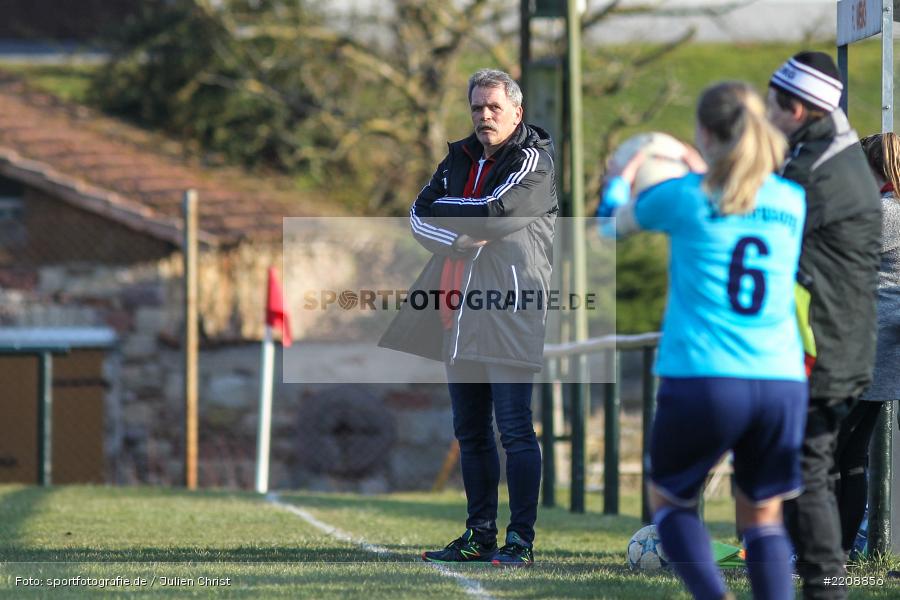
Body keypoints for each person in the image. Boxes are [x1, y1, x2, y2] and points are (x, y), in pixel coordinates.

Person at [598, 81, 807, 600]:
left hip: (705, 374)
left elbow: (609, 226)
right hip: (781, 378)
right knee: (764, 516)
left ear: (707, 134)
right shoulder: (792, 199)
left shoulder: (683, 196)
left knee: (670, 503)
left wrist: (619, 182)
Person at [379, 68, 558, 566]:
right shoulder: (457, 158)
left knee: (516, 430)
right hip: (457, 313)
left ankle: (520, 541)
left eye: (494, 108)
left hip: (511, 311)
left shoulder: (534, 161)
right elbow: (419, 214)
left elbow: (498, 215)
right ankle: (479, 534)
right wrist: (459, 236)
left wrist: (462, 216)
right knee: (472, 433)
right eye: (477, 108)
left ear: (517, 112)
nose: (484, 116)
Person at [766, 51, 882, 600]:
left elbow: (770, 237)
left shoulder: (816, 168)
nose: (767, 110)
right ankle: (818, 580)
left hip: (823, 345)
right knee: (807, 469)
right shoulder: (819, 154)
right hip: (832, 341)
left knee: (806, 472)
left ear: (800, 107)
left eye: (774, 101)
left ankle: (823, 586)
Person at [833, 132, 900, 557]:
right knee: (849, 453)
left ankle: (828, 555)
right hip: (877, 344)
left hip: (873, 344)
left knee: (836, 453)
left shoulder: (881, 212)